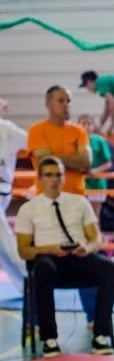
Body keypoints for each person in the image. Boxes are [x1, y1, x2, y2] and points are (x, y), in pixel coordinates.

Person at [14, 157, 114, 356]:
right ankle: (49, 338)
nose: (54, 180)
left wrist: (87, 248)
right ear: (41, 179)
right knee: (42, 269)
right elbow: (24, 250)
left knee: (108, 269)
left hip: (77, 255)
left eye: (58, 175)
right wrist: (49, 249)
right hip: (48, 256)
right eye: (49, 175)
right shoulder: (28, 209)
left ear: (64, 178)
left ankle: (100, 335)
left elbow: (96, 239)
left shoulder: (79, 202)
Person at [27, 86, 98, 322]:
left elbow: (87, 160)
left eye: (68, 100)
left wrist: (58, 158)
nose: (66, 105)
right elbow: (44, 161)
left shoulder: (79, 131)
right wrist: (70, 161)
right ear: (48, 104)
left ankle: (93, 318)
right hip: (45, 207)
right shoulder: (37, 131)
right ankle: (39, 321)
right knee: (43, 263)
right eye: (60, 100)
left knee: (85, 255)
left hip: (77, 204)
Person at [0, 98, 28, 295]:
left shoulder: (8, 130)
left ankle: (30, 281)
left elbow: (35, 144)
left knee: (4, 242)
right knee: (2, 245)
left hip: (1, 189)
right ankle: (26, 283)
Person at [77, 114, 114, 219]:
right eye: (84, 124)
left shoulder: (100, 141)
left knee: (94, 217)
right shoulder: (74, 141)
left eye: (89, 124)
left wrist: (95, 171)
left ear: (94, 126)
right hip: (80, 182)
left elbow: (109, 163)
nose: (87, 127)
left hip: (97, 182)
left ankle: (97, 235)